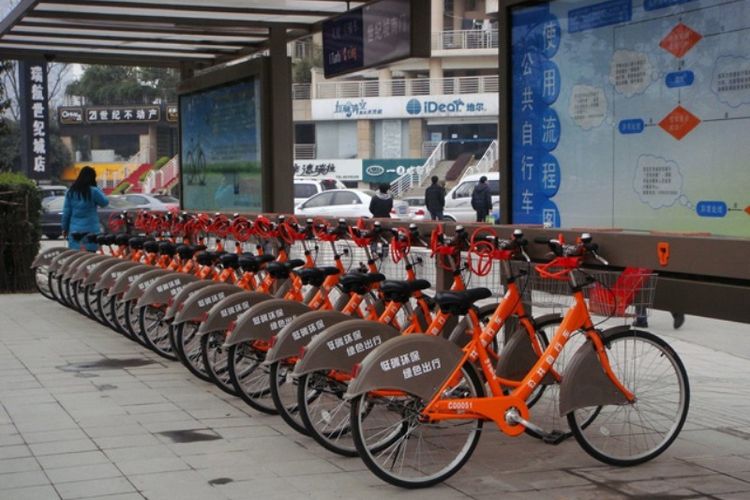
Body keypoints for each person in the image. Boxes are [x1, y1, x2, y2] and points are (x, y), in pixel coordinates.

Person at [61, 166, 109, 251]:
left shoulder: (71, 192)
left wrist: (64, 228)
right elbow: (105, 202)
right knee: (90, 259)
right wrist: (97, 188)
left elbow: (66, 213)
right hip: (91, 231)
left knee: (76, 260)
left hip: (75, 231)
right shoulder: (94, 191)